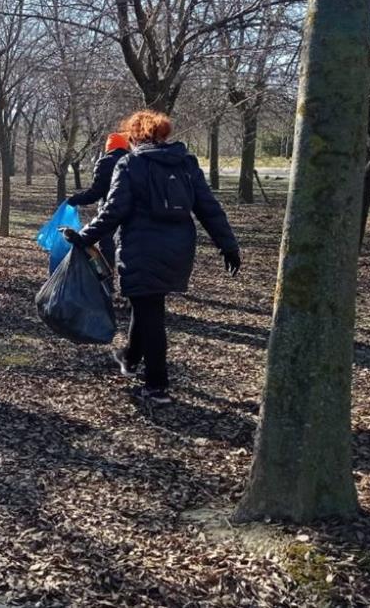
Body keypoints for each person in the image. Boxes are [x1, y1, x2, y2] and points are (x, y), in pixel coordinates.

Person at [63, 110, 241, 405]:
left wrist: (84, 236)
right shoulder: (186, 164)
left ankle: (157, 385)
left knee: (151, 313)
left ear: (134, 136)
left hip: (141, 249)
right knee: (146, 305)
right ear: (164, 134)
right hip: (178, 251)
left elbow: (113, 211)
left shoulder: (130, 163)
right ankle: (130, 358)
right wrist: (228, 244)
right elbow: (208, 206)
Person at [66, 132, 130, 270]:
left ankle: (107, 280)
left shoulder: (105, 162)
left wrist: (74, 199)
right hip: (130, 215)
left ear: (109, 147)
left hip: (109, 213)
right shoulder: (133, 161)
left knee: (106, 249)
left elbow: (95, 193)